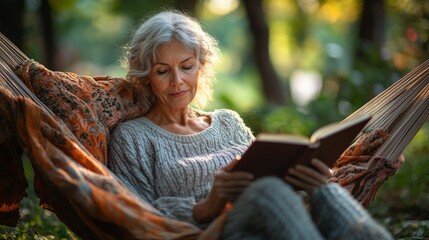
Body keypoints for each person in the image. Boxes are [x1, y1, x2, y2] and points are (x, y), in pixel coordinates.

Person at [108, 10, 393, 239]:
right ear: (145, 76)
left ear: (200, 67)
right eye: (162, 71)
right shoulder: (132, 138)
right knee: (265, 191)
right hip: (211, 230)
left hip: (268, 222)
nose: (177, 81)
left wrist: (310, 179)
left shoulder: (228, 123)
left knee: (319, 188)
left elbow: (270, 177)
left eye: (186, 66)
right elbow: (136, 218)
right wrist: (207, 206)